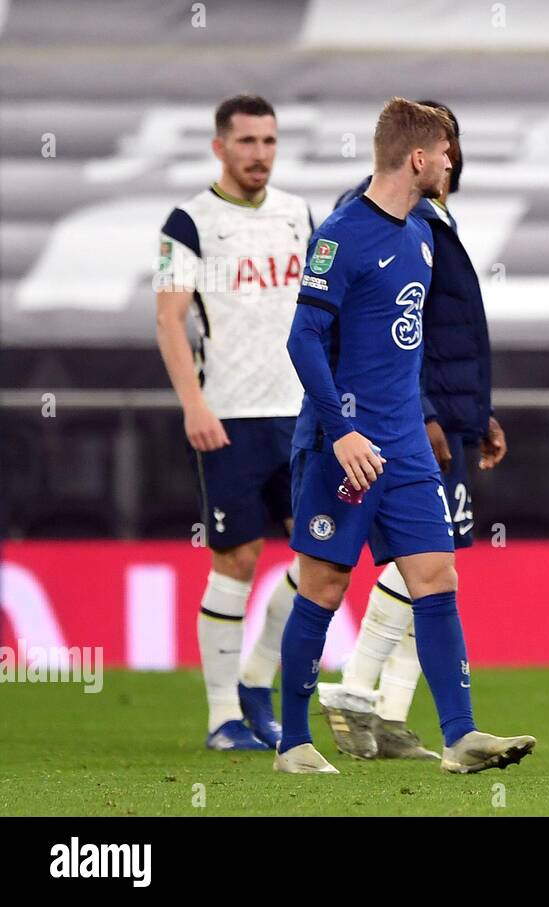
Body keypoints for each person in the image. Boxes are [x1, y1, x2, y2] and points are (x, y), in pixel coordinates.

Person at [276, 97, 533, 774]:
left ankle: (460, 736)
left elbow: (413, 344)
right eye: (446, 150)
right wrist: (341, 431)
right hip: (345, 445)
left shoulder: (422, 229)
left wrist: (461, 415)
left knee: (436, 574)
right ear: (417, 157)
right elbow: (302, 338)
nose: (453, 160)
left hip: (408, 447)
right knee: (325, 586)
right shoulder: (341, 232)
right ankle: (292, 742)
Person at [155, 93, 311, 751]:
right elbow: (169, 317)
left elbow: (320, 309)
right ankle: (223, 716)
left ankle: (256, 677)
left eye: (269, 141)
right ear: (220, 147)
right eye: (247, 142)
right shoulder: (188, 220)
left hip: (300, 414)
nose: (259, 155)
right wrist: (194, 403)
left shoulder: (300, 214)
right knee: (237, 558)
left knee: (320, 556)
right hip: (231, 415)